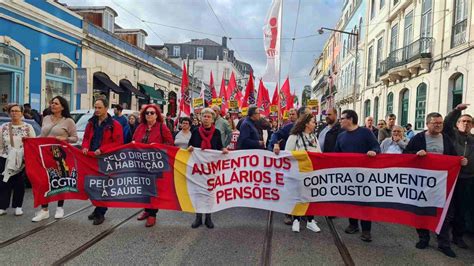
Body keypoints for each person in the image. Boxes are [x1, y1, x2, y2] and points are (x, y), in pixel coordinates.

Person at [404, 112, 467, 258]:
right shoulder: (418, 138)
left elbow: (452, 157)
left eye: (440, 123)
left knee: (443, 213)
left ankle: (444, 244)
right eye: (435, 123)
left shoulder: (446, 138)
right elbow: (406, 155)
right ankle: (423, 238)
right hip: (421, 183)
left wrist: (460, 161)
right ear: (427, 124)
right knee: (421, 211)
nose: (438, 125)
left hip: (441, 183)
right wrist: (416, 154)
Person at [335, 109, 380, 242]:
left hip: (365, 175)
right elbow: (336, 154)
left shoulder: (365, 132)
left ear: (350, 119)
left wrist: (373, 151)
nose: (340, 121)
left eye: (342, 118)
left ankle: (366, 230)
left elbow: (376, 146)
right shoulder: (341, 136)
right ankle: (353, 224)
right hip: (348, 176)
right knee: (351, 201)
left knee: (365, 202)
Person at [32, 96, 78, 222]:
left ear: (62, 107)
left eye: (56, 103)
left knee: (59, 179)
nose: (53, 105)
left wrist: (65, 138)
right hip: (44, 154)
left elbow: (75, 138)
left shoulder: (68, 121)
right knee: (44, 181)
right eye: (52, 103)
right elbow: (42, 135)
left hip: (59, 155)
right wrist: (31, 140)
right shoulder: (46, 118)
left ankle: (59, 207)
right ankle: (44, 210)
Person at [82, 98, 123, 225]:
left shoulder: (114, 125)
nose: (97, 110)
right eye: (95, 107)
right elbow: (87, 137)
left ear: (106, 108)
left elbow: (118, 143)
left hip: (106, 159)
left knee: (104, 186)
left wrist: (103, 149)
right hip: (92, 158)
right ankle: (97, 208)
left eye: (99, 107)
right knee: (93, 185)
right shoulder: (91, 123)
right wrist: (85, 146)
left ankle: (101, 212)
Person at [133, 104, 174, 227]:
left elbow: (169, 142)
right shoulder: (140, 127)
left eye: (152, 113)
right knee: (144, 189)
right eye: (147, 113)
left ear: (157, 115)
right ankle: (146, 210)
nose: (149, 115)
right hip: (141, 164)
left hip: (156, 164)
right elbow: (133, 139)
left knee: (153, 190)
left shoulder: (162, 127)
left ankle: (152, 214)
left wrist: (156, 147)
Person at [187, 108, 228, 229]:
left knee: (210, 192)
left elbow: (219, 146)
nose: (206, 118)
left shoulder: (216, 132)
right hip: (198, 168)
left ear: (213, 119)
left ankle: (208, 217)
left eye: (209, 116)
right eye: (204, 116)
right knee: (198, 192)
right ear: (201, 118)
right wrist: (189, 148)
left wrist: (223, 150)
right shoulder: (195, 131)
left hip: (211, 168)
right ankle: (198, 217)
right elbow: (190, 145)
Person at [442, 103, 473, 249]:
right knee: (448, 208)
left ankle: (458, 236)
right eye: (463, 121)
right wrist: (456, 110)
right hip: (450, 177)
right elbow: (447, 122)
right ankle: (443, 236)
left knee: (462, 209)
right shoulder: (451, 134)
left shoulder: (473, 139)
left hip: (467, 179)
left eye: (469, 122)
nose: (466, 124)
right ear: (458, 123)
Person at [285, 113, 322, 233]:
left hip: (311, 172)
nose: (314, 124)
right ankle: (296, 219)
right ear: (306, 123)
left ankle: (310, 221)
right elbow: (287, 153)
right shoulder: (294, 137)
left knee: (310, 196)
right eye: (312, 122)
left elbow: (319, 153)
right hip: (298, 172)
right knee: (298, 196)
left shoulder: (314, 137)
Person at [0, 104, 36, 216]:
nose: (14, 113)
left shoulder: (28, 127)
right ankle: (2, 206)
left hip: (22, 159)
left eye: (17, 111)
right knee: (4, 183)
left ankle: (18, 206)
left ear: (21, 113)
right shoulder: (4, 127)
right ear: (9, 113)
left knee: (19, 184)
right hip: (5, 157)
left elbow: (33, 143)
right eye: (12, 111)